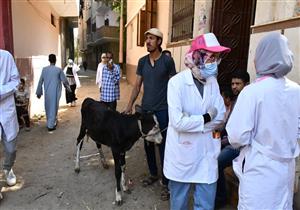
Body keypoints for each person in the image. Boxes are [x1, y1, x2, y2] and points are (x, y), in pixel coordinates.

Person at [226, 32, 300, 209]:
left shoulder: (253, 92)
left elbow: (236, 137)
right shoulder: (296, 90)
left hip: (260, 171)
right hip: (286, 170)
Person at [164, 32, 231, 210]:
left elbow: (221, 117)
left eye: (217, 58)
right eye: (211, 57)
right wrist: (206, 118)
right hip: (182, 155)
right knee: (178, 203)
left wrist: (194, 123)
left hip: (207, 154)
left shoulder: (213, 83)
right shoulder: (176, 83)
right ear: (197, 56)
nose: (215, 62)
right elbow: (177, 122)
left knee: (206, 204)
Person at [124, 28, 176, 200]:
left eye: (151, 38)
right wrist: (130, 105)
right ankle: (153, 174)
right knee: (148, 145)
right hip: (146, 111)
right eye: (146, 38)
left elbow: (174, 86)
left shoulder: (167, 62)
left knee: (163, 146)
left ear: (159, 42)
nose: (147, 41)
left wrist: (175, 109)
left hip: (163, 110)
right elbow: (137, 85)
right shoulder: (142, 62)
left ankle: (166, 183)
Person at [216, 70, 250, 207]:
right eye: (233, 84)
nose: (234, 87)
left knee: (216, 163)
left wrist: (223, 140)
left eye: (238, 83)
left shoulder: (249, 101)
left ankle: (220, 197)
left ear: (246, 84)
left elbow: (241, 134)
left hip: (239, 147)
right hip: (230, 141)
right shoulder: (236, 101)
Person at [0, 49, 20, 187]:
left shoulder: (6, 56)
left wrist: (1, 91)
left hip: (6, 109)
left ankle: (8, 168)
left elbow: (15, 82)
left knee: (11, 148)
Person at [36, 54, 70, 132]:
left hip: (47, 92)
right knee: (54, 107)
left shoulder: (44, 69)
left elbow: (40, 81)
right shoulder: (58, 70)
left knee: (48, 107)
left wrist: (39, 92)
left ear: (49, 60)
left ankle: (51, 122)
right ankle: (51, 125)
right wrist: (68, 89)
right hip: (55, 92)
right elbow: (64, 81)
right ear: (55, 60)